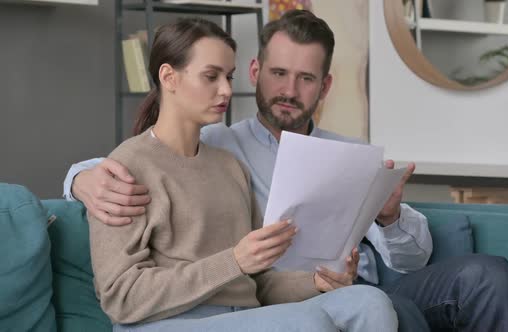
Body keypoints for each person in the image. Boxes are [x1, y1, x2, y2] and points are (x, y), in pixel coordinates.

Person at [66, 10, 508, 332]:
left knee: (388, 298)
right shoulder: (207, 147)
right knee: (342, 317)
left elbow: (259, 283)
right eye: (278, 74)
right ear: (257, 71)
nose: (288, 89)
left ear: (324, 86)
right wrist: (80, 179)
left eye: (305, 79)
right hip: (205, 312)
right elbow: (133, 167)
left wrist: (387, 218)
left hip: (324, 288)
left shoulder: (236, 164)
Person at [88, 17, 398, 332]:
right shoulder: (124, 171)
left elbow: (257, 283)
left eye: (229, 76)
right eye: (211, 76)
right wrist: (233, 261)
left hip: (242, 316)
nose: (226, 90)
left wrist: (316, 282)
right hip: (169, 321)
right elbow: (121, 298)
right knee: (305, 322)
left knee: (369, 303)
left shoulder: (229, 165)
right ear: (168, 77)